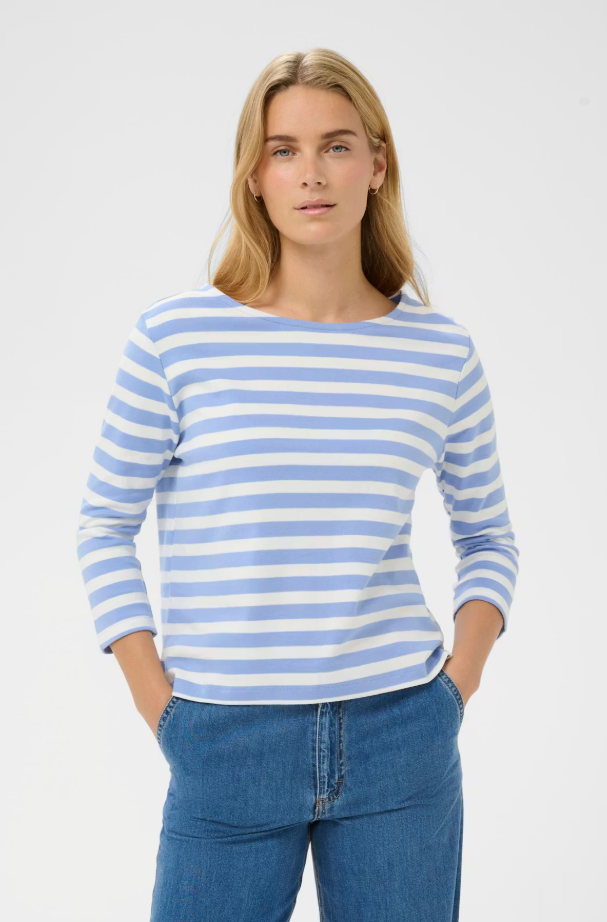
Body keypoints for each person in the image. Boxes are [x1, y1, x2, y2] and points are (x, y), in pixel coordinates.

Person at [76, 47, 519, 922]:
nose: (310, 173)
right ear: (254, 175)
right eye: (283, 150)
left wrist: (455, 685)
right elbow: (102, 524)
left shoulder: (439, 352)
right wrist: (160, 707)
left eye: (336, 146)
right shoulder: (176, 339)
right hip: (223, 739)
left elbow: (487, 536)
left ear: (377, 164)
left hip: (401, 734)